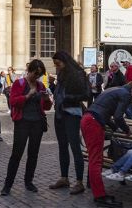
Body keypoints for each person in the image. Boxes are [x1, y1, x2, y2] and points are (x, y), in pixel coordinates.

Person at [80, 79, 132, 207]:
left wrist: (115, 128)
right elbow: (118, 116)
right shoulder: (125, 95)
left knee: (95, 159)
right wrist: (126, 130)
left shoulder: (115, 89)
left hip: (89, 119)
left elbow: (105, 113)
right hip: (94, 123)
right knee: (96, 160)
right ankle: (100, 196)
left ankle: (99, 193)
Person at [0, 59, 53, 196]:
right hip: (22, 123)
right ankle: (7, 185)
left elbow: (46, 107)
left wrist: (47, 99)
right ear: (29, 71)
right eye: (35, 74)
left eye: (39, 75)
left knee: (33, 154)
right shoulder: (19, 83)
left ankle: (28, 181)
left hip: (37, 123)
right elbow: (13, 102)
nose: (37, 77)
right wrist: (28, 95)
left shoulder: (41, 86)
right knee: (16, 154)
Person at [48, 50, 89, 195]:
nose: (56, 66)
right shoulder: (61, 73)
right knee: (62, 147)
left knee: (75, 147)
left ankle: (79, 182)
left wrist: (67, 98)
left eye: (58, 63)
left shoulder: (78, 73)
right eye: (55, 64)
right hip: (59, 113)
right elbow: (60, 92)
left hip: (71, 113)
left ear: (65, 61)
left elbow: (86, 94)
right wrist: (53, 86)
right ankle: (64, 178)